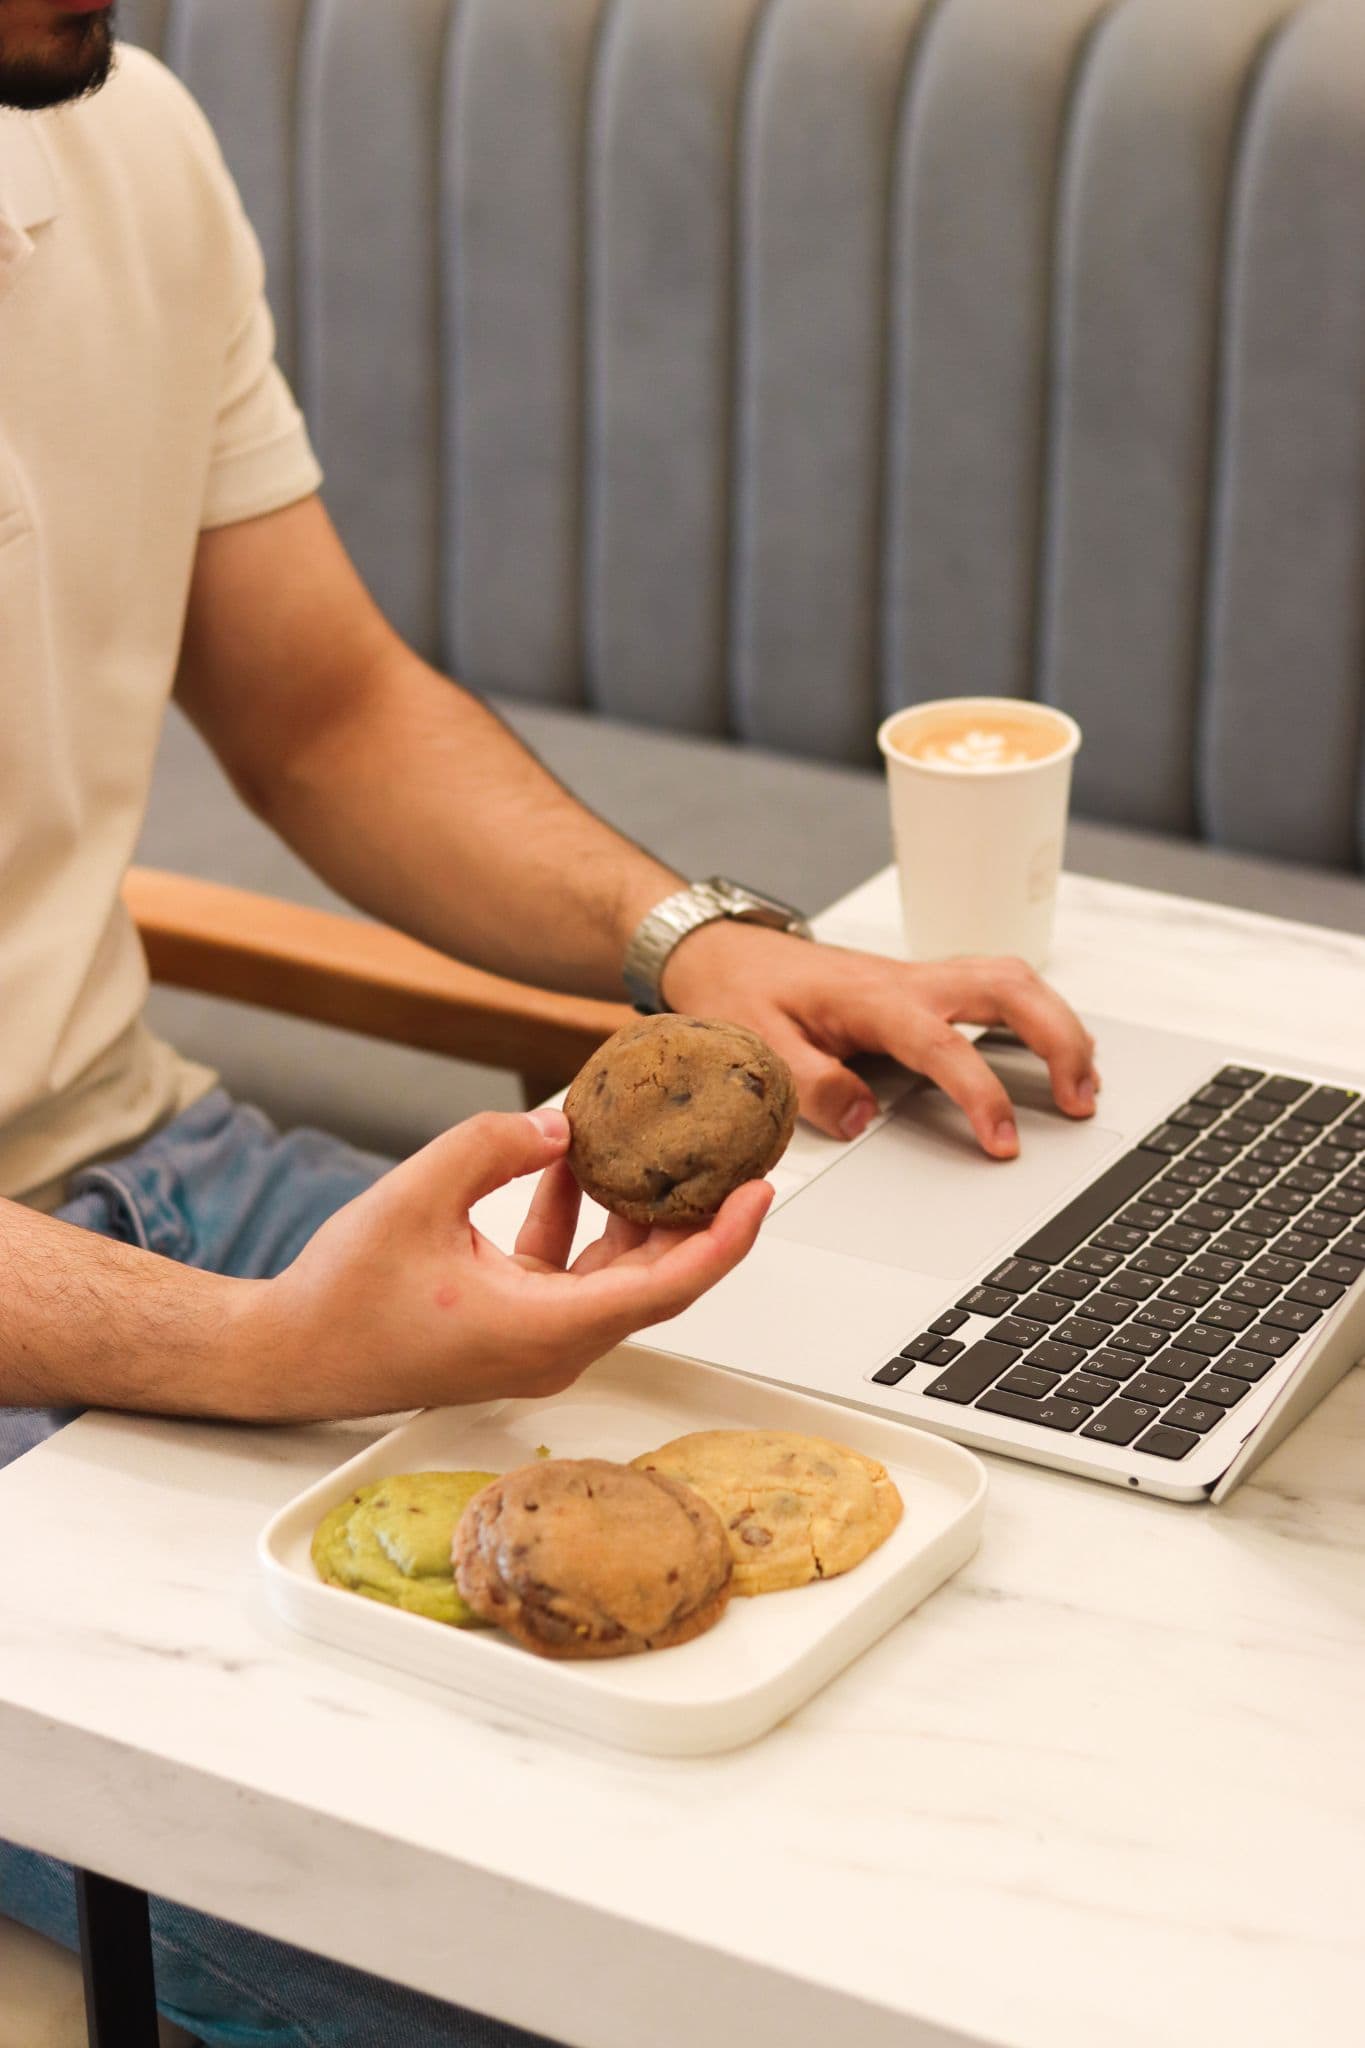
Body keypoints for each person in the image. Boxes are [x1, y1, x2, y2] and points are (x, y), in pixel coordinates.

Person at [0, 3, 1100, 2042]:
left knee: (941, 1656)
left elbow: (321, 706)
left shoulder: (121, 133)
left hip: (167, 1160)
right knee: (493, 1957)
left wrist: (685, 941)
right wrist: (259, 1352)